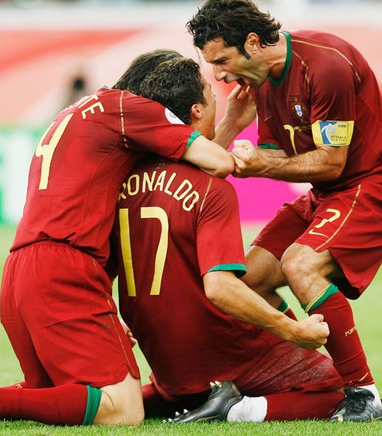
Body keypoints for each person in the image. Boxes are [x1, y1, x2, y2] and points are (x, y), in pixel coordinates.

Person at [0, 49, 235, 429]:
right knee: (124, 410)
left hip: (20, 271)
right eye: (208, 91)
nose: (212, 98)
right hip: (63, 268)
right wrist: (237, 124)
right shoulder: (131, 108)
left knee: (50, 396)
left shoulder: (81, 112)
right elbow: (219, 162)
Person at [186, 0, 382, 422]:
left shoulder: (326, 65)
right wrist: (233, 128)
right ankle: (312, 377)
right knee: (246, 283)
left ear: (253, 43)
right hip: (327, 194)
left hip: (377, 187)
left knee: (301, 265)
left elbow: (331, 160)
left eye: (221, 60)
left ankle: (365, 396)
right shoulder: (260, 80)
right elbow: (276, 151)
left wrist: (261, 164)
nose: (219, 75)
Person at [112, 57, 343, 424]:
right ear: (197, 109)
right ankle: (236, 409)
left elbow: (184, 167)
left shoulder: (123, 181)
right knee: (334, 391)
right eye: (209, 89)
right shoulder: (212, 190)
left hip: (166, 357)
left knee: (137, 402)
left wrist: (231, 124)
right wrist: (293, 330)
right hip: (214, 346)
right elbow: (220, 288)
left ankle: (137, 399)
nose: (216, 91)